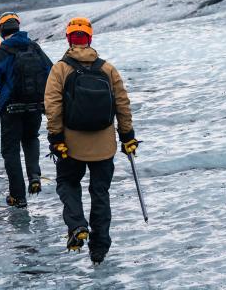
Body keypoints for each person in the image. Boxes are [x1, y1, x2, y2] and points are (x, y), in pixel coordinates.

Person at [44, 17, 139, 265]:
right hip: (104, 145)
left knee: (67, 183)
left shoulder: (60, 69)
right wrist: (127, 136)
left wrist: (56, 138)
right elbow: (122, 104)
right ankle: (99, 248)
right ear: (90, 38)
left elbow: (52, 106)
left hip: (71, 145)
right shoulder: (107, 69)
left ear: (68, 39)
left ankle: (77, 226)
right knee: (100, 193)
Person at [0, 12, 53, 208]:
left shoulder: (2, 53)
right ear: (18, 27)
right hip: (35, 106)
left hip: (11, 109)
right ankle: (34, 175)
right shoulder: (35, 48)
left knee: (11, 152)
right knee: (31, 138)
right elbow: (51, 73)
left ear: (2, 31)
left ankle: (18, 196)